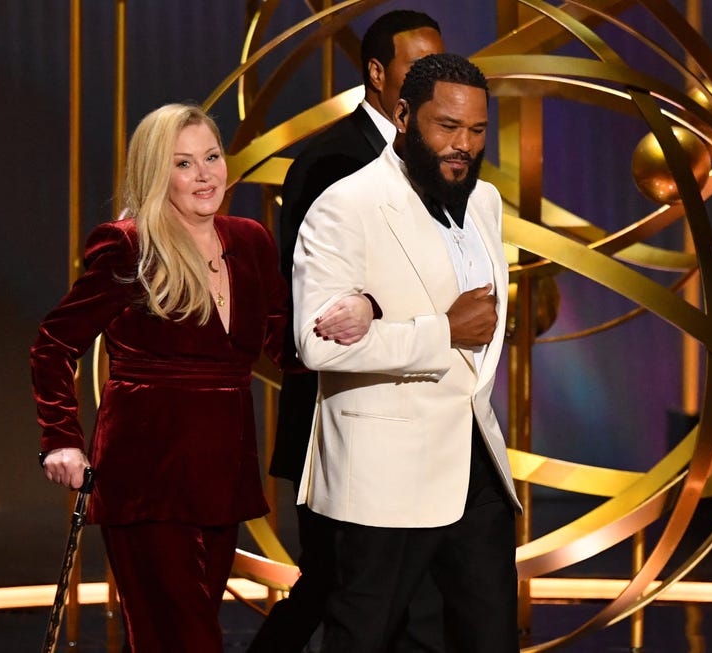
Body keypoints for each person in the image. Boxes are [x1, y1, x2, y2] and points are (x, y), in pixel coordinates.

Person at [30, 103, 371, 653]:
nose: (205, 174)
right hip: (147, 479)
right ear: (155, 173)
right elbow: (53, 344)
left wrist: (363, 313)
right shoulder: (129, 245)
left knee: (180, 635)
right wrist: (61, 440)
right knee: (187, 640)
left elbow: (288, 349)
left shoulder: (251, 241)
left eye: (211, 157)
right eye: (183, 163)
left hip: (221, 478)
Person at [292, 54, 521, 653]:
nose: (463, 145)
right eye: (447, 126)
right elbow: (315, 344)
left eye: (476, 130)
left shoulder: (486, 202)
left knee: (490, 638)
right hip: (385, 471)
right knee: (363, 639)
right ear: (402, 115)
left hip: (474, 466)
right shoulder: (347, 205)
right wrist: (440, 331)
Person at [249, 10, 446, 653]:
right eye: (419, 69)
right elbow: (317, 305)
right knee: (344, 584)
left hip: (415, 413)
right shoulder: (331, 160)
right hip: (339, 416)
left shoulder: (440, 160)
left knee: (382, 590)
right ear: (377, 73)